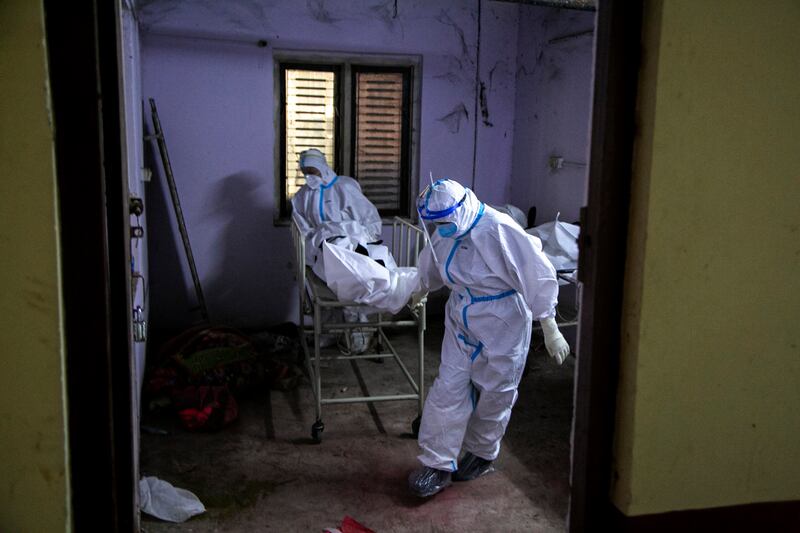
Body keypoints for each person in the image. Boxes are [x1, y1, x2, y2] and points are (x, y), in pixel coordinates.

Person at [408, 178, 570, 498]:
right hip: (461, 314)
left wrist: (549, 325)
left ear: (461, 210)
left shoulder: (498, 228)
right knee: (448, 387)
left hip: (502, 319)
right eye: (435, 224)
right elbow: (433, 261)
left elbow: (535, 271)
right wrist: (421, 288)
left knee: (496, 391)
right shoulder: (446, 228)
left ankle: (482, 453)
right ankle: (437, 463)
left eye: (444, 223)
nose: (440, 229)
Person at [291, 148, 383, 354]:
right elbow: (303, 230)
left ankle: (357, 332)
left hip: (351, 244)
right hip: (322, 248)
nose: (309, 176)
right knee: (328, 292)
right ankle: (330, 332)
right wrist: (315, 248)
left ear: (323, 168)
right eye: (305, 172)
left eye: (312, 171)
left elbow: (368, 218)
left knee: (351, 286)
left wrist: (365, 242)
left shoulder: (344, 188)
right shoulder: (302, 197)